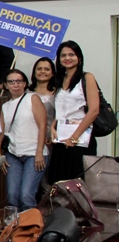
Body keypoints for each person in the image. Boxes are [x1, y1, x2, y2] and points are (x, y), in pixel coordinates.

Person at [47, 41, 99, 183]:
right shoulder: (59, 80)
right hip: (61, 139)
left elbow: (93, 110)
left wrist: (74, 137)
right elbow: (62, 110)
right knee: (58, 184)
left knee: (77, 185)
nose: (67, 58)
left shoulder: (87, 77)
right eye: (63, 55)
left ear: (79, 58)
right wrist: (53, 126)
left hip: (80, 141)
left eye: (71, 54)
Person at [0, 69, 47, 210]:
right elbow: (0, 132)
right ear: (6, 85)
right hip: (13, 154)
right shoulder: (5, 106)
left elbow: (43, 126)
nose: (16, 84)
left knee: (26, 195)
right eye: (11, 81)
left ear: (25, 83)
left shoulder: (32, 98)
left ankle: (32, 230)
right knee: (12, 195)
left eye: (19, 81)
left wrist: (39, 152)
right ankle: (15, 229)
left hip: (33, 154)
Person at [28, 57, 56, 195]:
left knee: (46, 182)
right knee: (31, 184)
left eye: (46, 69)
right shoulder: (26, 92)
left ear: (52, 73)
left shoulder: (57, 93)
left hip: (50, 143)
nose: (42, 71)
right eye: (39, 68)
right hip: (29, 143)